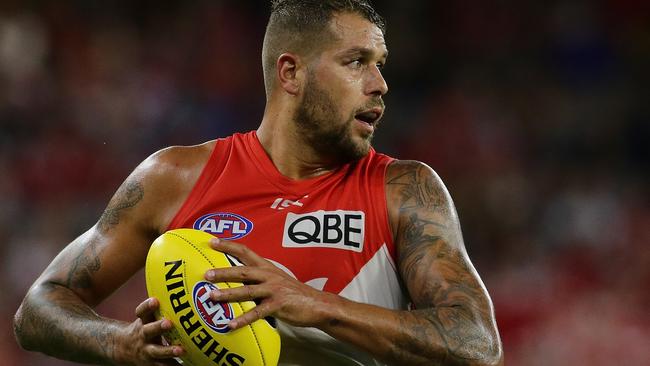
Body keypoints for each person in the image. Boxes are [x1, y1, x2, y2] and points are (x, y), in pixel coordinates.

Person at [13, 1, 503, 365]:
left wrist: (313, 304)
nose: (379, 83)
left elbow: (477, 344)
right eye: (356, 62)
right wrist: (119, 343)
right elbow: (38, 308)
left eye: (380, 63)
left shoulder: (405, 189)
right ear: (291, 73)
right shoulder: (176, 178)